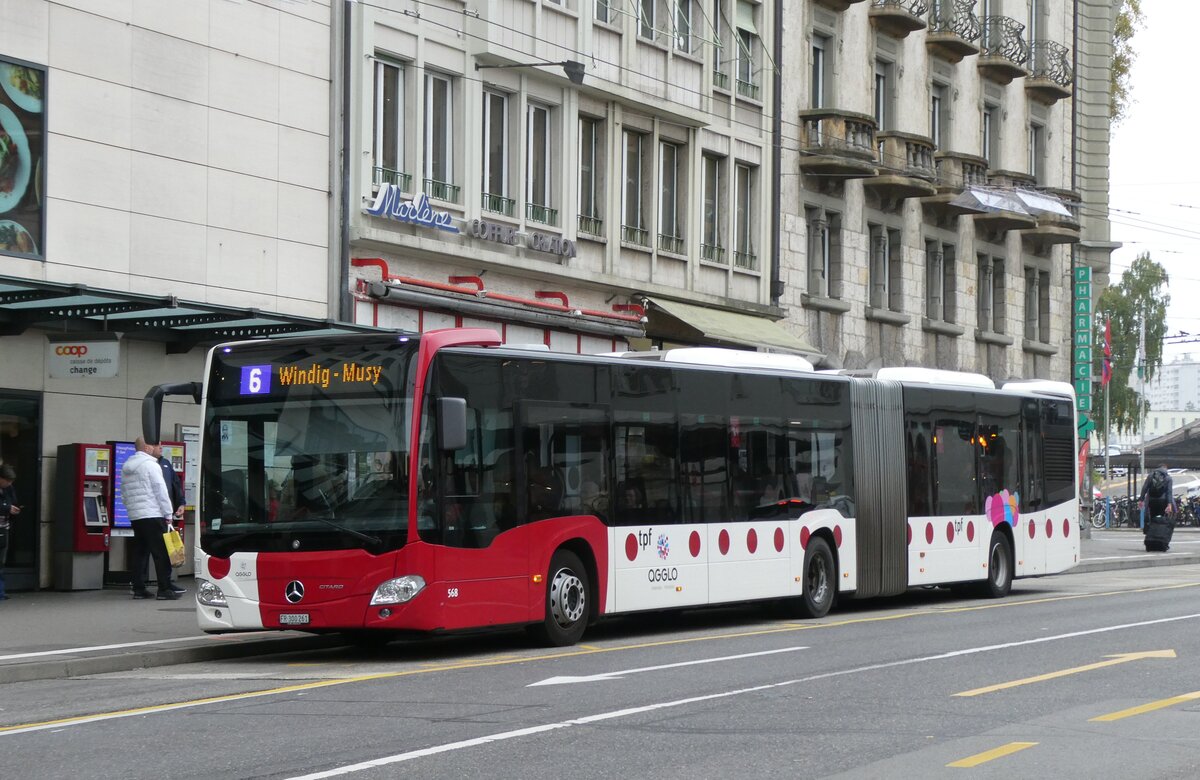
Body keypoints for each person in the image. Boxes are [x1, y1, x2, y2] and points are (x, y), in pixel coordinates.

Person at [121, 437, 180, 600]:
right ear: (147, 448)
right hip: (153, 514)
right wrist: (168, 514)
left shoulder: (126, 467)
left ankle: (138, 588)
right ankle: (164, 589)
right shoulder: (151, 465)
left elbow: (124, 493)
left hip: (136, 516)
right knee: (161, 553)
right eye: (156, 445)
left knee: (140, 552)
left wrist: (131, 511)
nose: (160, 447)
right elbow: (161, 491)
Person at [0, 465, 23, 601]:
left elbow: (13, 501)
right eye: (7, 481)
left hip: (4, 527)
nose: (9, 484)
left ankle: (1, 592)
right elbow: (7, 505)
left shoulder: (9, 489)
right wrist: (7, 508)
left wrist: (13, 508)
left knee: (1, 562)